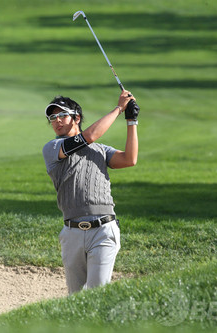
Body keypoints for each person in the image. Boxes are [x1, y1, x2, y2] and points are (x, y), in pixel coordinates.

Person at [42, 90, 139, 294]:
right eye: (52, 117)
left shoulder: (100, 150)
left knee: (97, 294)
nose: (57, 121)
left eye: (62, 115)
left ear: (76, 117)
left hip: (104, 230)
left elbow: (130, 159)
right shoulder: (52, 148)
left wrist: (131, 121)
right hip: (72, 233)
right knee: (75, 298)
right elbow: (89, 136)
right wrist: (119, 109)